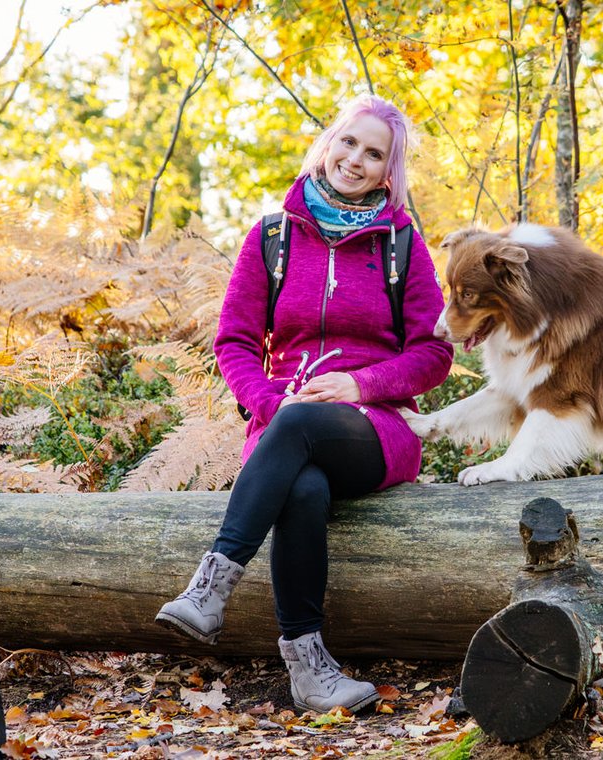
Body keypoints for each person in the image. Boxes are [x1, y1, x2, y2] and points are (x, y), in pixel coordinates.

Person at [155, 95, 453, 714]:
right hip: (284, 424)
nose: (356, 160)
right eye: (349, 143)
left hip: (376, 430)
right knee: (304, 490)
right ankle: (309, 667)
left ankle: (211, 588)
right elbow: (235, 340)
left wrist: (361, 386)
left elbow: (433, 353)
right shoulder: (272, 236)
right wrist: (269, 401)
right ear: (329, 143)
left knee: (302, 431)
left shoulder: (403, 245)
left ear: (388, 172)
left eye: (375, 154)